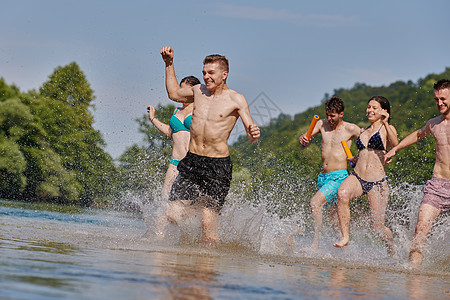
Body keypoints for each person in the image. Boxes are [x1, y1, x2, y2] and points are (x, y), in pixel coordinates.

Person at [160, 46, 260, 245]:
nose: (206, 77)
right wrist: (169, 63)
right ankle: (195, 217)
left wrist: (253, 132)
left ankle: (205, 270)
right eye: (204, 72)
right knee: (172, 214)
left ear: (224, 74)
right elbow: (173, 93)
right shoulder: (198, 91)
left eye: (211, 73)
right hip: (192, 161)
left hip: (217, 166)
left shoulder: (236, 99)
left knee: (207, 224)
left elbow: (251, 131)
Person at [385, 79, 450, 268]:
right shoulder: (434, 124)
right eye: (436, 99)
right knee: (420, 231)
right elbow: (417, 134)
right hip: (437, 185)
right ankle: (413, 277)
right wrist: (395, 149)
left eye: (443, 99)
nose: (439, 103)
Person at [333, 96, 399, 257]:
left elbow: (396, 144)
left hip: (377, 182)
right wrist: (353, 159)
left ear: (384, 111)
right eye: (368, 107)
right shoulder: (363, 131)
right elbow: (364, 154)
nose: (370, 110)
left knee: (377, 228)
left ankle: (392, 248)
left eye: (374, 108)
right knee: (342, 194)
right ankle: (345, 237)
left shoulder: (387, 129)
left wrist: (386, 122)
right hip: (358, 177)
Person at [299, 96, 360, 250]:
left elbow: (367, 142)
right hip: (323, 177)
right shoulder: (321, 124)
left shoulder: (351, 129)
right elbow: (307, 137)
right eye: (328, 114)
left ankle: (315, 244)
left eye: (333, 116)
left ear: (341, 114)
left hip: (339, 176)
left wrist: (358, 158)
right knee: (334, 220)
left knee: (315, 203)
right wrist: (303, 139)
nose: (329, 118)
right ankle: (346, 251)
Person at [147, 76, 201, 199]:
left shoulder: (199, 110)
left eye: (184, 91)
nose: (181, 94)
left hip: (193, 165)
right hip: (175, 163)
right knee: (165, 201)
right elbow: (171, 132)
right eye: (180, 90)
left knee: (191, 206)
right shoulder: (176, 110)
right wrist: (153, 119)